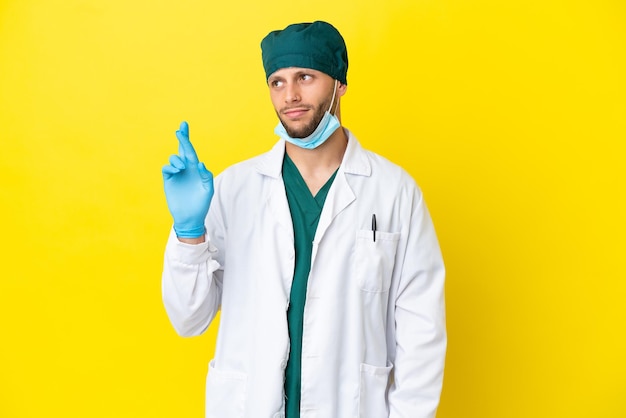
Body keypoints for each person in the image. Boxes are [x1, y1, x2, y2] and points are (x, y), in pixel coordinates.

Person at [161, 21, 447, 418]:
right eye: (276, 82)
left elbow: (422, 332)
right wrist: (189, 234)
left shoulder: (394, 192)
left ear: (339, 84)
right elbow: (189, 319)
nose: (290, 96)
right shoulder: (234, 189)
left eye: (305, 77)